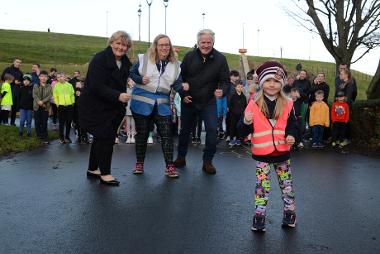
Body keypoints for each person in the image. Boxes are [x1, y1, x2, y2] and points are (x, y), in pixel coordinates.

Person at [239, 61, 297, 232]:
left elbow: (293, 124)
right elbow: (241, 129)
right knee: (261, 188)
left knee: (286, 186)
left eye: (277, 81)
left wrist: (292, 135)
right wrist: (246, 122)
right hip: (263, 153)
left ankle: (290, 213)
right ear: (262, 82)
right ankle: (259, 216)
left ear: (282, 84)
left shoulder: (288, 103)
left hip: (282, 153)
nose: (272, 85)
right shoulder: (253, 103)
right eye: (268, 80)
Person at [79, 30, 132, 186]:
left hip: (113, 106)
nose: (121, 48)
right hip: (96, 105)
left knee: (100, 137)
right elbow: (96, 86)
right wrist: (118, 96)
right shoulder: (100, 58)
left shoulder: (125, 61)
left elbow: (131, 75)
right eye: (118, 43)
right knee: (106, 139)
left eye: (124, 45)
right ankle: (105, 173)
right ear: (111, 43)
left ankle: (93, 168)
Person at [174, 29, 230, 174]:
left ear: (213, 42)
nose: (205, 45)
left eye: (208, 42)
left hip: (209, 101)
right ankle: (180, 157)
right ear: (198, 42)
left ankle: (208, 162)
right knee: (184, 131)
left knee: (212, 131)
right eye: (203, 42)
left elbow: (225, 81)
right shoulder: (189, 56)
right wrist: (183, 93)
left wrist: (222, 91)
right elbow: (180, 79)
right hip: (189, 100)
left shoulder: (220, 59)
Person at [129, 34, 181, 178]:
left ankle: (170, 166)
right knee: (142, 135)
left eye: (167, 45)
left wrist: (183, 88)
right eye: (161, 45)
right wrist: (140, 79)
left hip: (162, 105)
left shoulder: (176, 64)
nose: (164, 47)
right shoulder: (143, 58)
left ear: (170, 47)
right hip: (141, 103)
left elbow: (177, 83)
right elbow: (131, 72)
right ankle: (139, 163)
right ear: (155, 46)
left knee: (166, 135)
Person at [53, 72, 75, 144]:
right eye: (59, 77)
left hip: (69, 106)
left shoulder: (69, 85)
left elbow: (72, 94)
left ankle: (67, 137)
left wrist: (72, 103)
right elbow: (55, 96)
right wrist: (58, 104)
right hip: (61, 106)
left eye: (62, 76)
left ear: (65, 77)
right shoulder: (56, 86)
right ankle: (61, 137)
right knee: (61, 123)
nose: (60, 78)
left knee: (68, 122)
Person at [2, 58, 24, 126]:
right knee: (5, 109)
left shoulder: (20, 72)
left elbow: (22, 82)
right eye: (17, 62)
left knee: (14, 108)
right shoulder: (8, 69)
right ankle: (3, 121)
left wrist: (19, 83)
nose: (19, 64)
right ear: (13, 62)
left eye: (20, 62)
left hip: (16, 92)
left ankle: (12, 122)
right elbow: (2, 77)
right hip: (7, 91)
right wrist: (13, 82)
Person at [33, 71, 52, 142]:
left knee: (44, 121)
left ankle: (45, 136)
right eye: (42, 76)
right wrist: (39, 101)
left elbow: (50, 95)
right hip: (37, 106)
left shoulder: (49, 86)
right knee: (37, 122)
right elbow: (34, 95)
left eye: (45, 76)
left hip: (45, 107)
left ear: (47, 78)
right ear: (39, 77)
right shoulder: (36, 85)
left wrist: (43, 101)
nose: (43, 78)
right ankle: (39, 135)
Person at [228, 80, 247, 147]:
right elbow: (230, 106)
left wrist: (243, 112)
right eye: (238, 87)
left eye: (241, 87)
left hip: (241, 115)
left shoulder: (243, 97)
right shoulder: (232, 96)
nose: (240, 88)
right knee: (232, 126)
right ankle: (231, 139)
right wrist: (234, 112)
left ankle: (238, 139)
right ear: (235, 87)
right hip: (233, 115)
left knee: (239, 127)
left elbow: (245, 106)